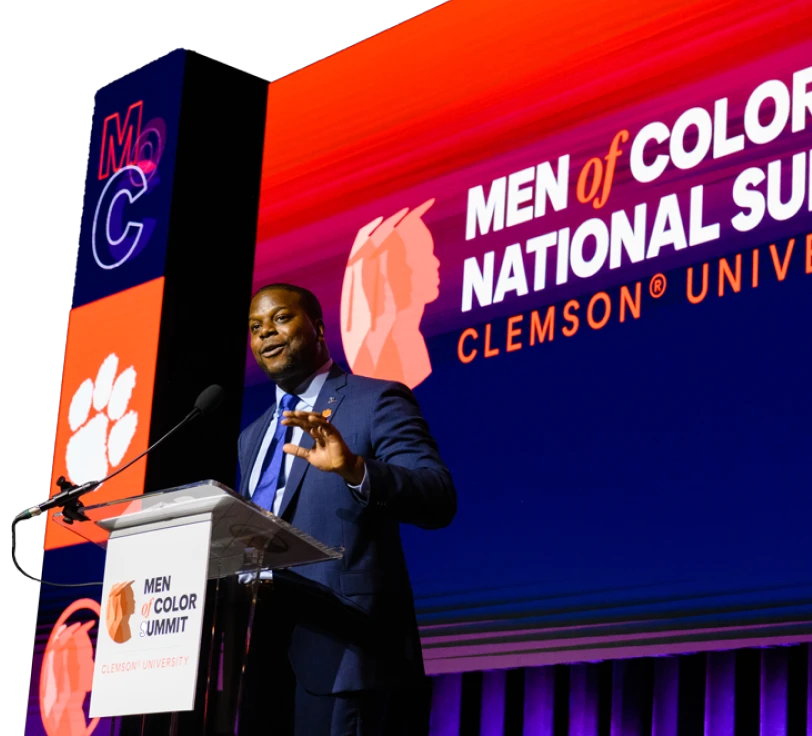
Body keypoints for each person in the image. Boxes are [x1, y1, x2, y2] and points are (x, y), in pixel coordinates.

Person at [235, 283, 456, 736]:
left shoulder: (374, 400)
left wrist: (355, 468)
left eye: (280, 318)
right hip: (259, 655)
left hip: (345, 649)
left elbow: (438, 496)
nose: (265, 335)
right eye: (256, 328)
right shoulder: (251, 436)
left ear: (317, 327)